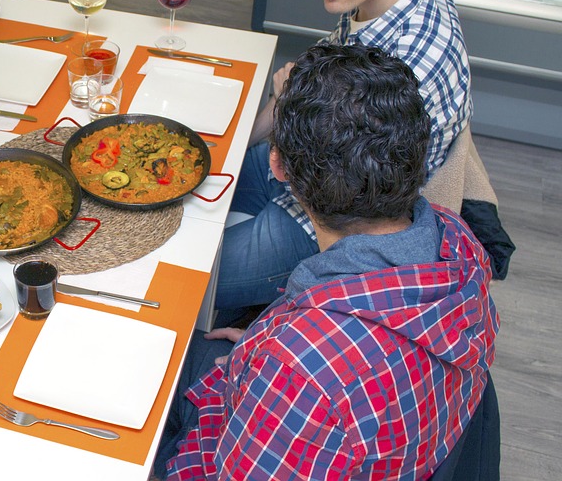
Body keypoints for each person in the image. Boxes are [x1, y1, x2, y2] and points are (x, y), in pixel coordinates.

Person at [155, 43, 498, 480]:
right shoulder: (459, 242)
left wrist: (281, 364)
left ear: (277, 165)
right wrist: (265, 349)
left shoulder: (301, 372)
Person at [217, 0, 471, 313]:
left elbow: (344, 195)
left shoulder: (407, 68)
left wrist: (289, 100)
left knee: (199, 273)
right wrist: (229, 147)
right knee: (201, 176)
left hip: (340, 215)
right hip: (311, 159)